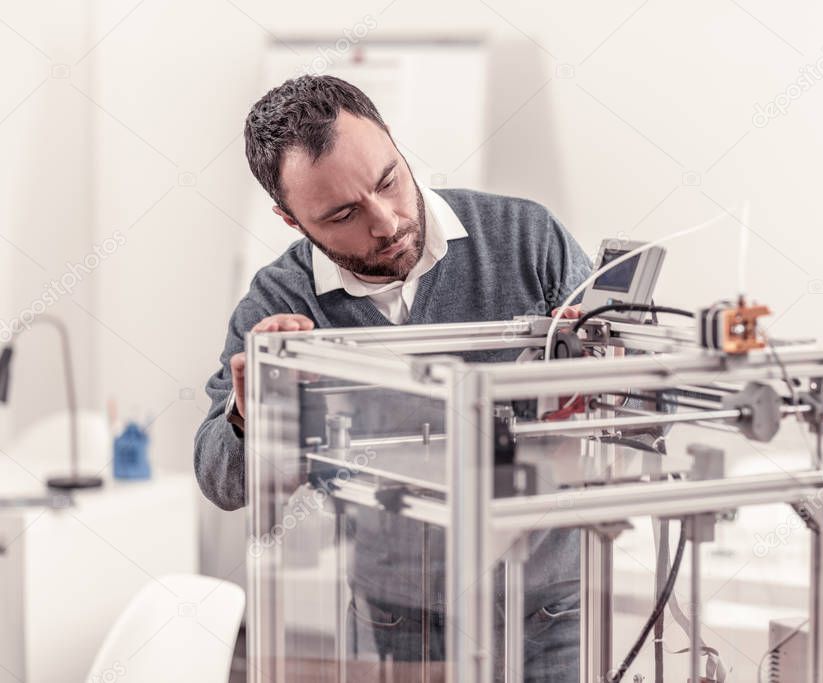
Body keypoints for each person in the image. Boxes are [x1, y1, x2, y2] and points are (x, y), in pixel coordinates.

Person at [193, 75, 592, 681]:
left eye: (388, 180)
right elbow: (220, 479)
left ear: (397, 146)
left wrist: (595, 364)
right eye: (343, 214)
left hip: (548, 612)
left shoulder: (525, 238)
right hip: (399, 623)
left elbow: (640, 397)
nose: (385, 222)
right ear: (290, 218)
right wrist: (252, 416)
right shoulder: (279, 298)